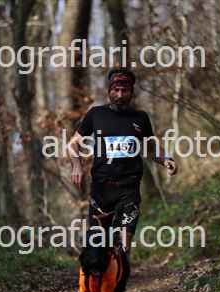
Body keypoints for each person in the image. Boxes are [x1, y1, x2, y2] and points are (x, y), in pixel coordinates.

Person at [68, 68, 178, 257]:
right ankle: (98, 275)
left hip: (129, 190)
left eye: (124, 91)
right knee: (97, 246)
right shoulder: (96, 114)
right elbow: (73, 144)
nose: (119, 95)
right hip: (101, 190)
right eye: (115, 90)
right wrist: (77, 167)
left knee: (123, 248)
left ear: (131, 92)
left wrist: (166, 159)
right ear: (109, 91)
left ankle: (119, 274)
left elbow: (151, 148)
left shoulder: (140, 118)